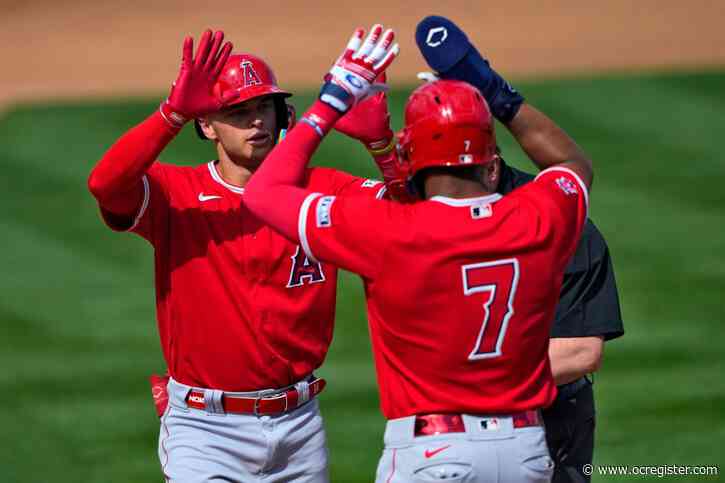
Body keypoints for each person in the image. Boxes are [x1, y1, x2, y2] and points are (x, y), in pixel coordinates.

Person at [243, 23, 593, 483]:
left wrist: (334, 97)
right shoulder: (537, 218)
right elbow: (571, 165)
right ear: (490, 163)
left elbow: (263, 193)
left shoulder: (386, 232)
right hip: (525, 450)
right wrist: (491, 88)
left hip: (436, 452)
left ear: (412, 157)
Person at [87, 29, 398, 483]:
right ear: (207, 124)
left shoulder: (322, 190)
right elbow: (106, 184)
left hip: (300, 425)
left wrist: (383, 148)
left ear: (283, 113)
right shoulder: (178, 195)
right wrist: (170, 114)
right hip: (205, 431)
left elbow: (418, 221)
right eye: (238, 112)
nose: (257, 122)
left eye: (263, 108)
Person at [414, 16, 625, 482]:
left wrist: (468, 386)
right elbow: (574, 165)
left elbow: (579, 352)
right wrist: (494, 90)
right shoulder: (413, 213)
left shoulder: (556, 221)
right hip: (445, 436)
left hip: (547, 426)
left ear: (491, 167)